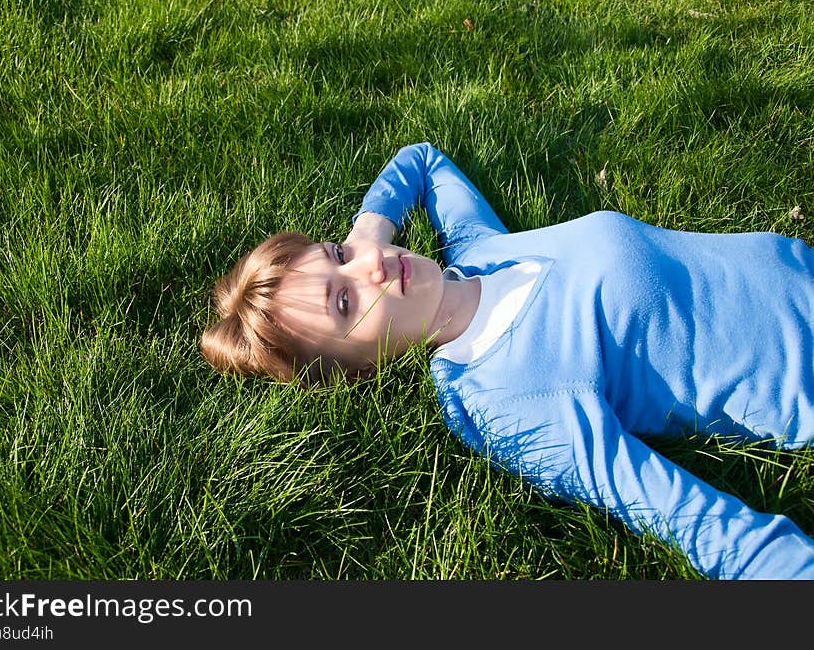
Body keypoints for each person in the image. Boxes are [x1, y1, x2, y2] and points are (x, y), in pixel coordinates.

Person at [200, 141, 814, 580]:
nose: (371, 268)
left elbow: (423, 159)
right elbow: (663, 505)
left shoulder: (483, 251)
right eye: (344, 299)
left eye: (336, 254)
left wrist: (369, 227)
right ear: (362, 366)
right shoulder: (501, 400)